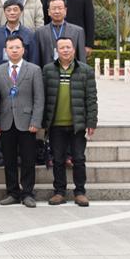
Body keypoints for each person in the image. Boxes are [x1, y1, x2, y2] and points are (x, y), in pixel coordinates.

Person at [43, 36, 98, 207]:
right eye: (62, 48)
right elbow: (43, 97)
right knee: (58, 159)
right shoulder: (48, 70)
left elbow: (91, 98)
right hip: (56, 124)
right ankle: (59, 192)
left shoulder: (86, 70)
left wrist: (91, 122)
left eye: (68, 47)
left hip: (77, 124)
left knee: (79, 159)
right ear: (57, 51)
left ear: (73, 49)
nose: (65, 50)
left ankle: (80, 192)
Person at [0, 35, 44, 208]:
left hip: (27, 122)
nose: (14, 50)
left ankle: (28, 193)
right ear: (5, 51)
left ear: (23, 50)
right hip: (6, 121)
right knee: (9, 159)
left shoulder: (34, 70)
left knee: (28, 159)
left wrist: (36, 121)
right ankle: (12, 192)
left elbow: (39, 98)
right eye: (10, 48)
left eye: (17, 47)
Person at [35, 0, 86, 66]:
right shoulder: (40, 32)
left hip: (71, 71)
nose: (57, 11)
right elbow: (36, 59)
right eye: (54, 8)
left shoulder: (78, 31)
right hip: (47, 71)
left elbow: (82, 59)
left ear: (65, 10)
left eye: (60, 8)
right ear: (49, 12)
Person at [0, 0, 38, 68]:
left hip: (22, 72)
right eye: (8, 10)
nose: (12, 13)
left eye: (15, 10)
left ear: (21, 12)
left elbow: (33, 60)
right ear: (4, 12)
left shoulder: (29, 34)